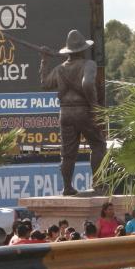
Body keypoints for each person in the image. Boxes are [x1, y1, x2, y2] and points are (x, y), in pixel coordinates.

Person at [39, 30, 107, 195]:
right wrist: (94, 107)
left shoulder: (60, 69)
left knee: (68, 153)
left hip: (65, 113)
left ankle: (67, 187)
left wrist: (44, 60)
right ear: (82, 49)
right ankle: (98, 184)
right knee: (98, 145)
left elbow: (45, 84)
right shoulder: (88, 64)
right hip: (84, 110)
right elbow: (88, 84)